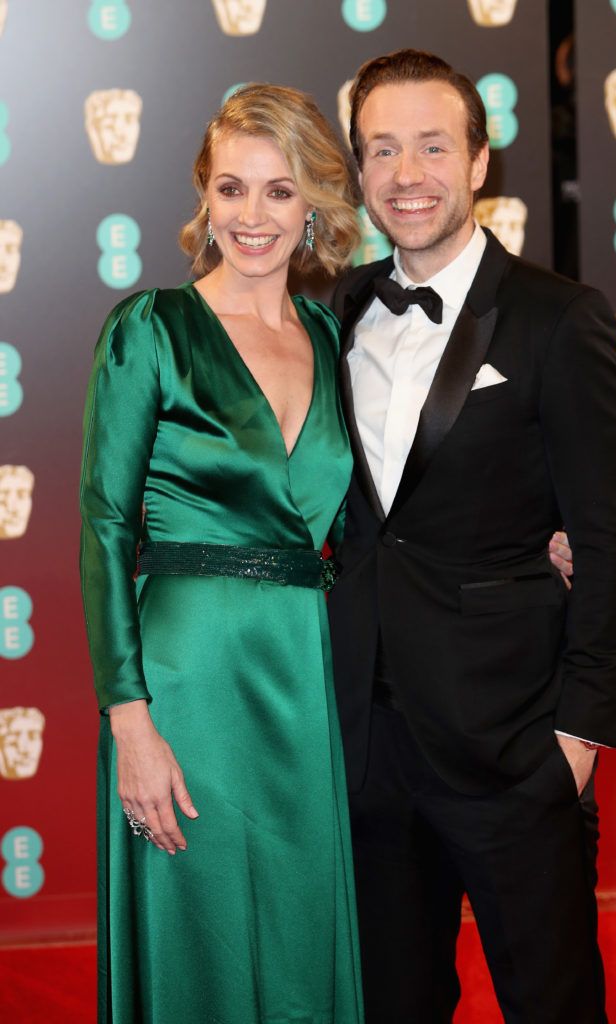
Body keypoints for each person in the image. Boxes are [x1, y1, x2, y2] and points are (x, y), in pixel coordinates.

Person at [327, 49, 616, 1023]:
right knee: (392, 1002)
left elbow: (607, 537)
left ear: (476, 161)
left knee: (550, 1003)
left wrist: (577, 738)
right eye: (381, 149)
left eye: (432, 145)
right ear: (357, 169)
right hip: (366, 745)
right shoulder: (329, 313)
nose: (406, 173)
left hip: (514, 745)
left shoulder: (560, 319)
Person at [79, 84, 364, 1024]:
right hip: (184, 678)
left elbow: (369, 515)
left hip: (299, 671)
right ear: (205, 198)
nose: (253, 217)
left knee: (297, 930)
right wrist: (130, 723)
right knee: (194, 928)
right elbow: (105, 527)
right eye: (232, 189)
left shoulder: (328, 337)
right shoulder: (150, 330)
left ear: (313, 204)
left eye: (279, 193)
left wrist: (543, 535)